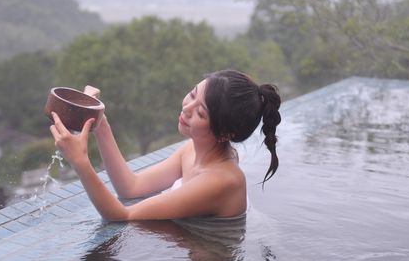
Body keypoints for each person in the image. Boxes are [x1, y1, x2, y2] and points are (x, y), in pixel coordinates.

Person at [49, 69, 281, 221]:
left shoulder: (222, 180)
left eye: (200, 112)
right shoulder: (192, 151)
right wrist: (100, 123)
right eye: (192, 95)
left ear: (224, 133)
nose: (186, 109)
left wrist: (80, 162)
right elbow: (131, 188)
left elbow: (120, 215)